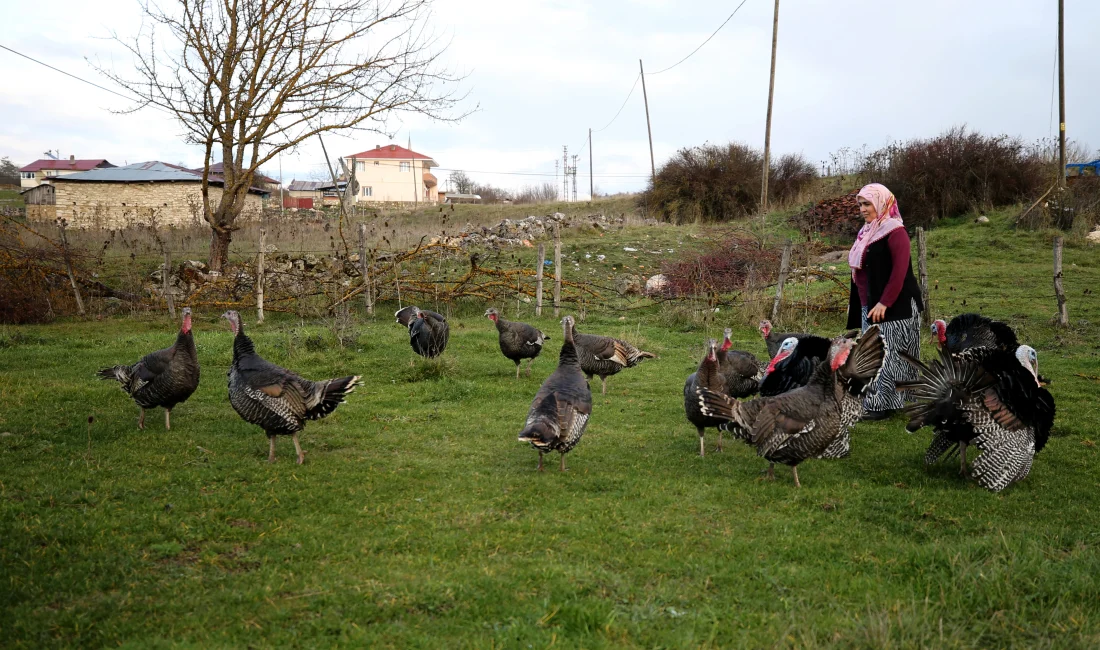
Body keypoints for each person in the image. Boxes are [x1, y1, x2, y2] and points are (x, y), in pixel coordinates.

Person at [846, 183, 923, 420]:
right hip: (870, 303)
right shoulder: (867, 232)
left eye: (867, 203)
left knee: (888, 356)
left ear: (881, 203)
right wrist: (859, 303)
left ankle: (881, 406)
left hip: (894, 306)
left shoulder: (895, 232)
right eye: (860, 204)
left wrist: (885, 303)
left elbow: (899, 272)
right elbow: (861, 271)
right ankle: (890, 399)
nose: (862, 209)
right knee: (876, 353)